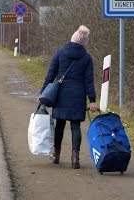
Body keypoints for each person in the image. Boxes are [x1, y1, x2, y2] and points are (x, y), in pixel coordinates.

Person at [40, 25, 98, 169]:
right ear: (84, 42)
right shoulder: (86, 58)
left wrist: (43, 94)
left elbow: (50, 75)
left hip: (61, 93)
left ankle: (56, 155)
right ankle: (75, 159)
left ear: (72, 39)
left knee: (60, 124)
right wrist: (92, 100)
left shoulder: (60, 53)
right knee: (75, 125)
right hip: (78, 94)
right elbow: (89, 81)